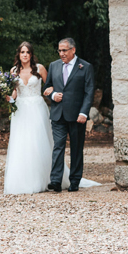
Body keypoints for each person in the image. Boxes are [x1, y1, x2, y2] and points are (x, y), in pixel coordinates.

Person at [42, 38, 100, 193]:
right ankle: (55, 181)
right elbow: (47, 87)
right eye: (59, 51)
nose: (62, 54)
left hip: (77, 115)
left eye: (64, 50)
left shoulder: (85, 67)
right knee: (58, 147)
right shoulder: (54, 66)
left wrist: (84, 112)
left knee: (76, 148)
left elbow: (89, 92)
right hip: (58, 114)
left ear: (73, 50)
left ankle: (75, 180)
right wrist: (53, 96)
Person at [2, 41, 54, 194]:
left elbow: (50, 85)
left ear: (31, 54)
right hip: (20, 109)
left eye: (27, 52)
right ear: (19, 54)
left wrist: (51, 91)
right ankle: (23, 180)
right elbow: (14, 92)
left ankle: (43, 178)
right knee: (22, 143)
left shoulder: (40, 68)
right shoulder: (13, 71)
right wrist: (9, 98)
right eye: (22, 52)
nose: (24, 55)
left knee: (38, 141)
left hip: (37, 107)